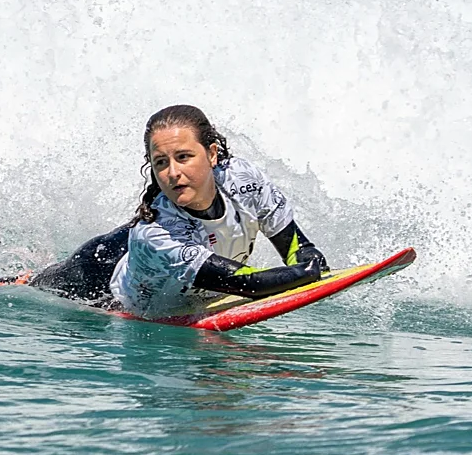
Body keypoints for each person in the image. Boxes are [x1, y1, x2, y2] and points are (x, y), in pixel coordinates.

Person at [28, 104, 328, 319]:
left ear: (212, 154)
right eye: (161, 162)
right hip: (98, 274)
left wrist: (307, 259)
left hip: (141, 252)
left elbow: (295, 246)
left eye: (184, 157)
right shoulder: (157, 235)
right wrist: (307, 273)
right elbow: (247, 284)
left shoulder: (243, 181)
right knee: (35, 286)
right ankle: (26, 274)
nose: (172, 172)